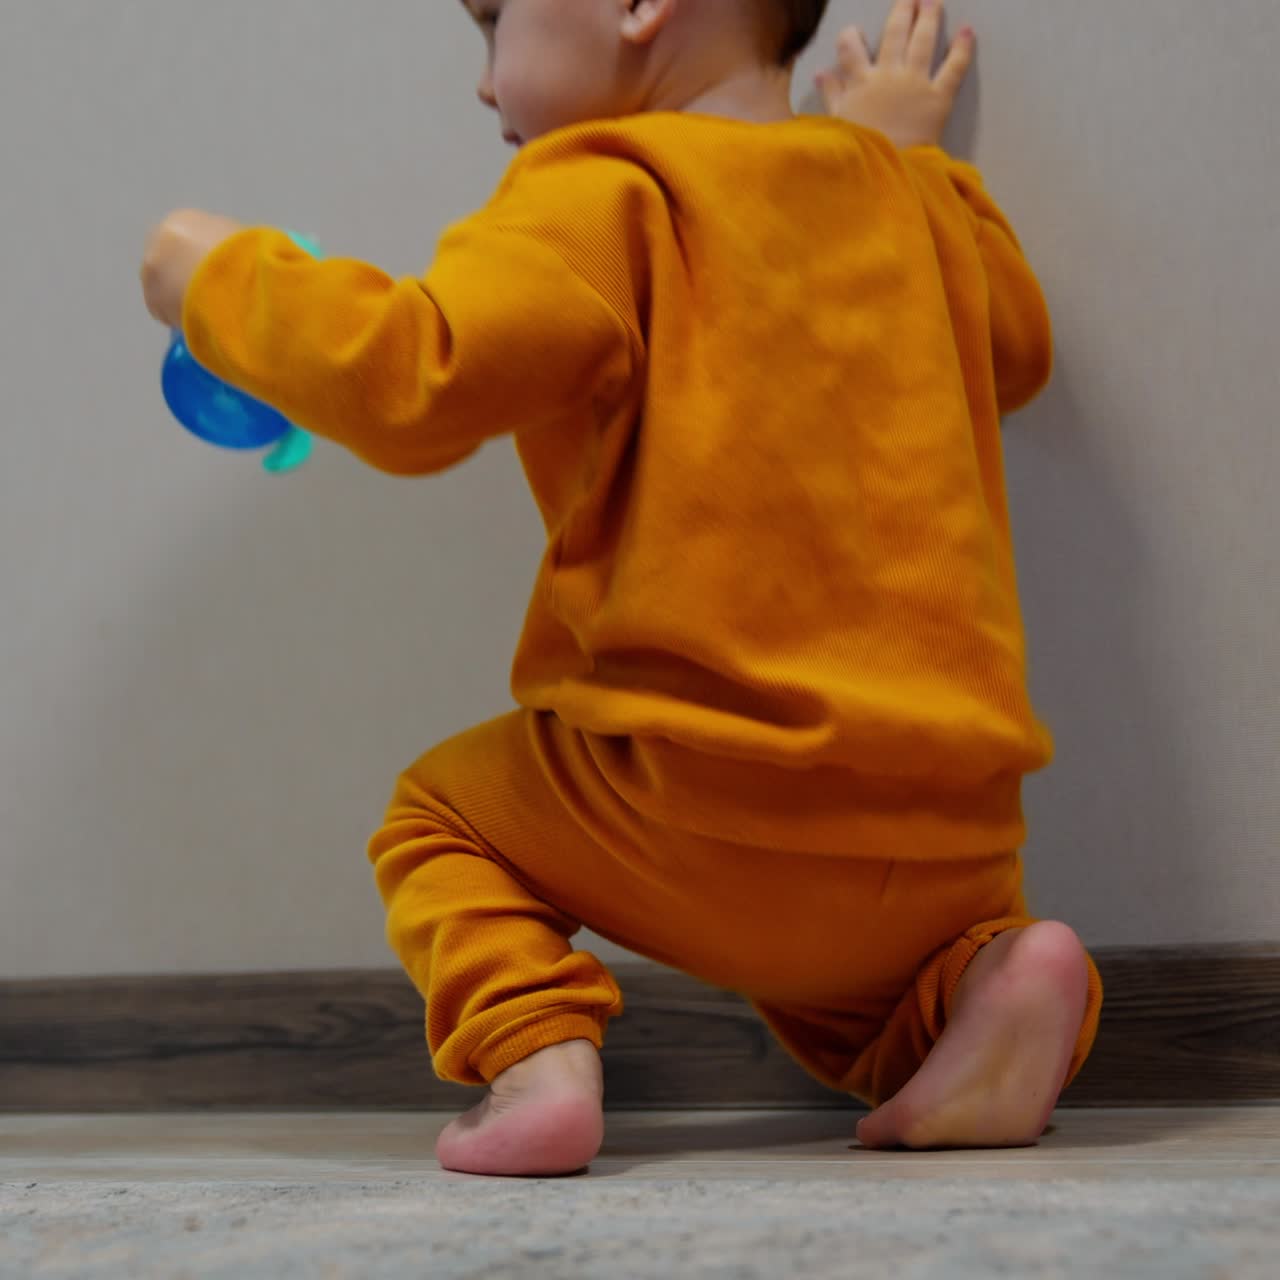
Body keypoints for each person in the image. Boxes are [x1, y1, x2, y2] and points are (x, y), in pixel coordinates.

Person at [140, 0, 1104, 1177]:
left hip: (700, 799)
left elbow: (415, 375)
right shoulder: (913, 204)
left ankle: (536, 1060)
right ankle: (994, 977)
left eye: (492, 22)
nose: (483, 86)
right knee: (861, 1018)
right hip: (950, 832)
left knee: (438, 819)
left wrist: (215, 278)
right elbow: (1015, 342)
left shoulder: (601, 190)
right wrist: (900, 156)